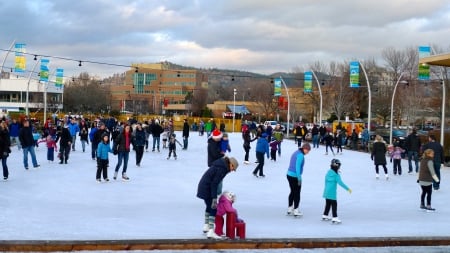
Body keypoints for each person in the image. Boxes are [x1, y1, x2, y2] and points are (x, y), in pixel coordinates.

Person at [196, 156, 239, 239]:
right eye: (233, 169)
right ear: (231, 164)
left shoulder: (221, 166)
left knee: (209, 206)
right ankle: (211, 231)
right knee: (214, 208)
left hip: (204, 186)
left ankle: (206, 226)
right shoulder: (222, 169)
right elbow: (214, 184)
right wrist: (214, 198)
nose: (232, 171)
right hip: (207, 188)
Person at [322, 159, 352, 224]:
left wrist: (326, 189)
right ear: (337, 166)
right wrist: (348, 189)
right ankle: (335, 217)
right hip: (332, 192)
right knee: (334, 204)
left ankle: (325, 215)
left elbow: (325, 181)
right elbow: (341, 183)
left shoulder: (328, 172)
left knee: (328, 204)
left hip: (326, 191)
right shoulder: (336, 175)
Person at [286, 143, 311, 217]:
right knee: (297, 193)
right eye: (307, 150)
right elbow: (297, 167)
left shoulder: (296, 152)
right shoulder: (300, 155)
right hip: (295, 176)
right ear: (304, 149)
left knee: (292, 192)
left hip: (289, 174)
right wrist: (299, 178)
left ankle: (290, 208)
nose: (308, 152)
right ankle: (296, 210)